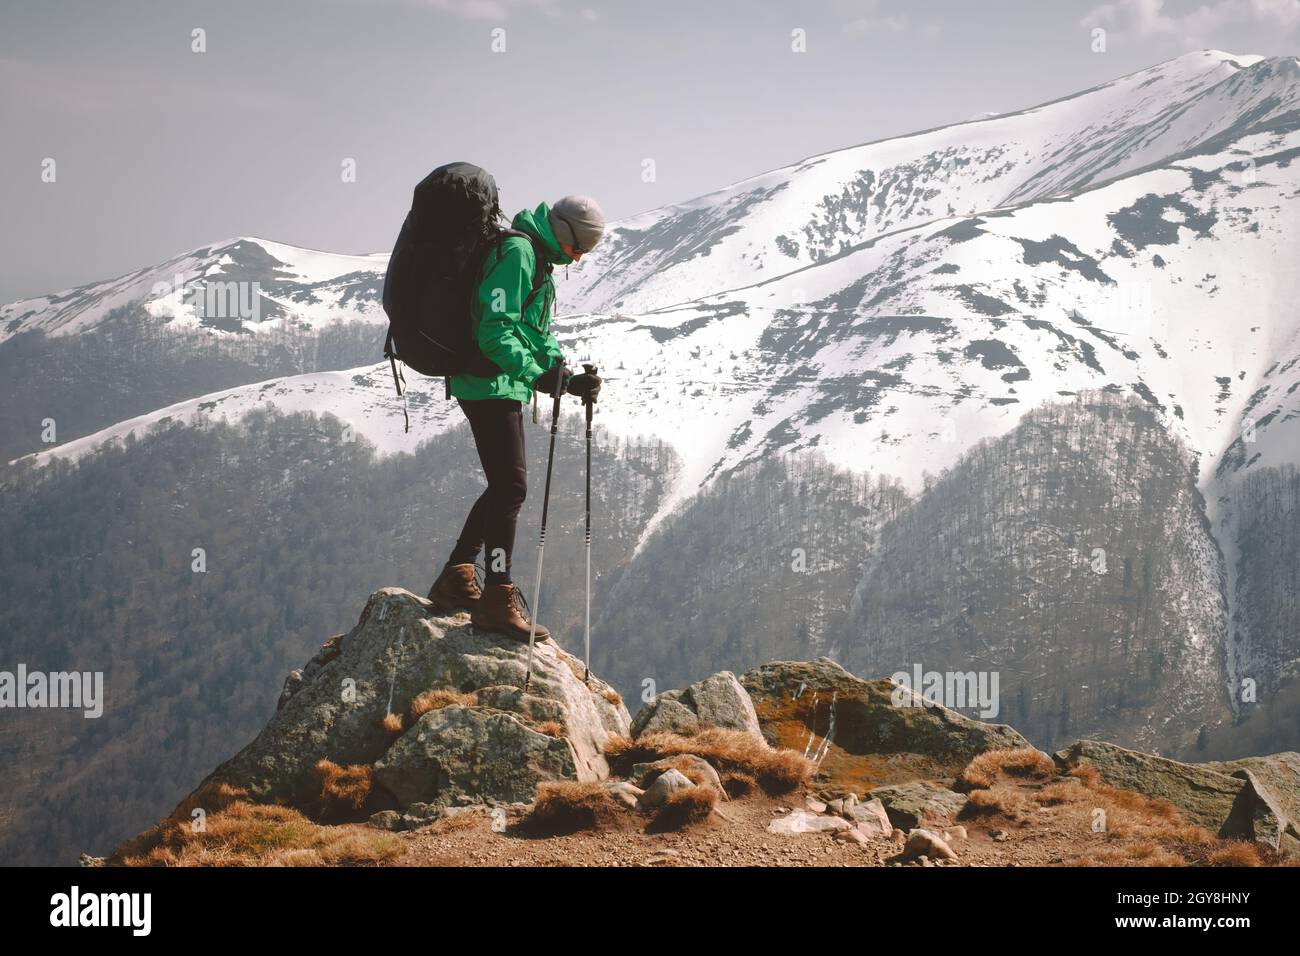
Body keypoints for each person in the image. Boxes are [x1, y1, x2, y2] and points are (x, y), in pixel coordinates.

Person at [426, 195, 604, 641]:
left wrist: (562, 373)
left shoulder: (536, 258)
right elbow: (495, 328)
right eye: (578, 249)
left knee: (504, 486)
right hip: (487, 381)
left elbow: (531, 331)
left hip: (498, 381)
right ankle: (496, 598)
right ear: (563, 233)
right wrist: (540, 375)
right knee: (512, 487)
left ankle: (458, 575)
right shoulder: (519, 253)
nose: (578, 259)